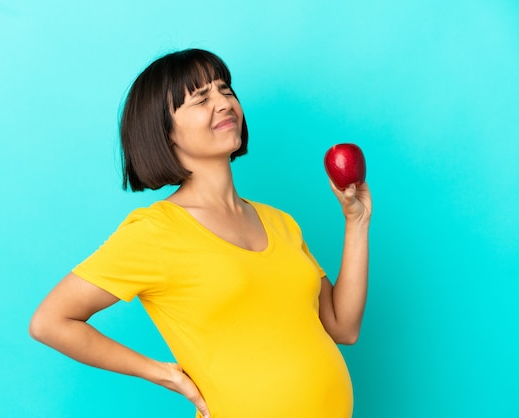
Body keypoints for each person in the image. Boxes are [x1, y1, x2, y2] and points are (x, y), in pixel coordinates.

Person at [29, 48, 371, 418]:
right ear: (165, 132)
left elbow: (343, 327)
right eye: (201, 98)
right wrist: (163, 374)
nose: (223, 103)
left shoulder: (279, 222)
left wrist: (356, 221)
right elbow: (50, 322)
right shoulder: (156, 232)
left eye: (225, 90)